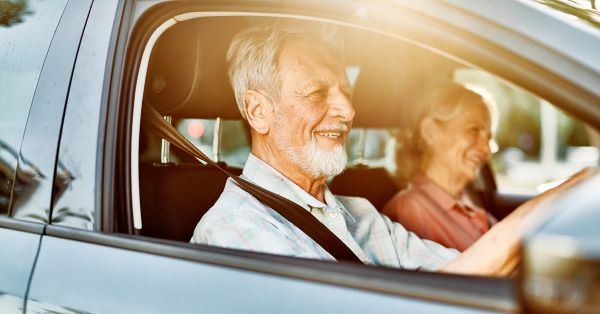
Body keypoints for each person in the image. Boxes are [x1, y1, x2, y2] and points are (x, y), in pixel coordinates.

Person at [190, 21, 592, 276]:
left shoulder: (361, 214)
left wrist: (574, 190)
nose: (347, 110)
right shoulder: (235, 230)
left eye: (345, 92)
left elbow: (461, 276)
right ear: (259, 112)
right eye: (317, 93)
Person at [382, 84, 498, 251]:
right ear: (430, 132)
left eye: (488, 137)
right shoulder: (409, 210)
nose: (486, 149)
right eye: (474, 130)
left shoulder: (465, 201)